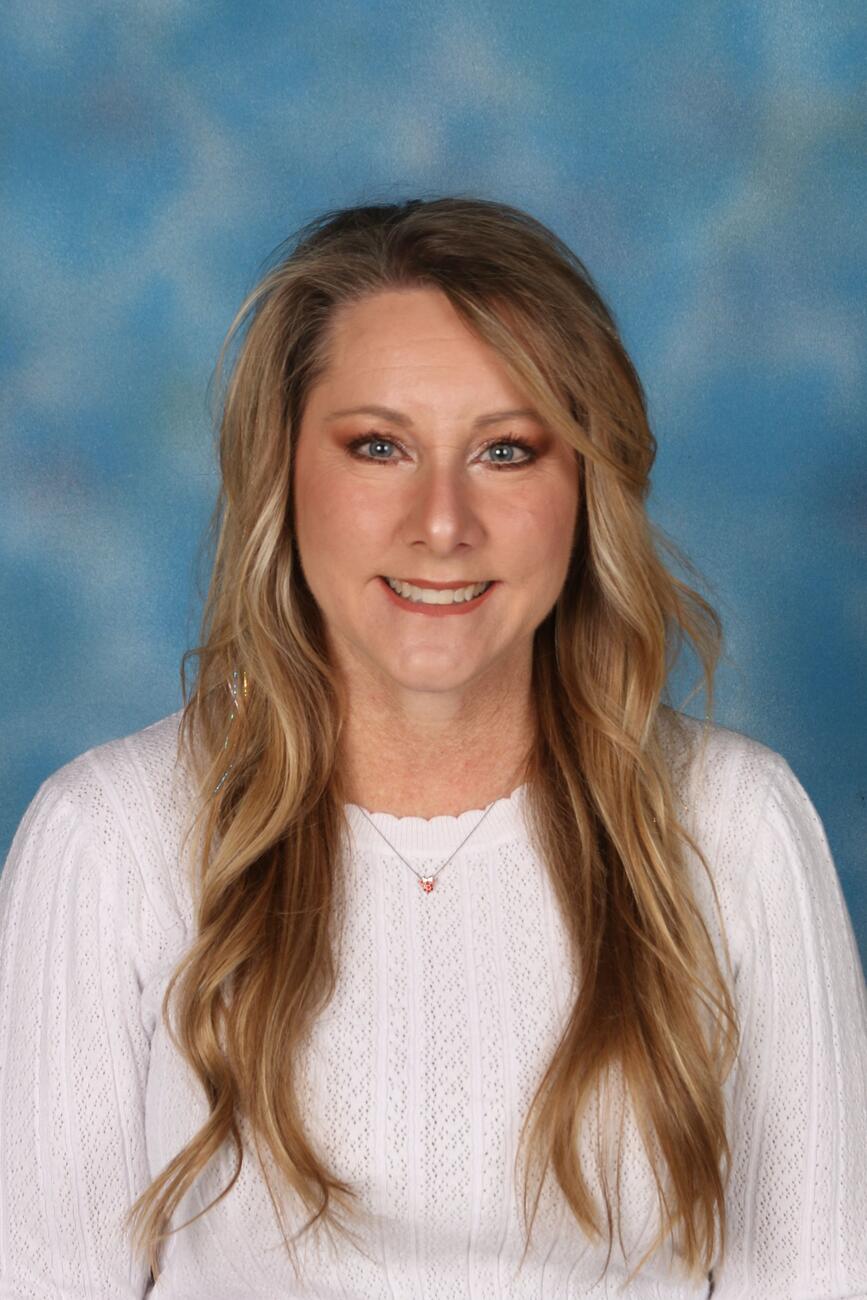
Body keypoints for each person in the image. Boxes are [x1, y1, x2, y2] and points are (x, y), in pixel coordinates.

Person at [1, 196, 865, 1300]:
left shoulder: (738, 825)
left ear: (586, 489)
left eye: (506, 450)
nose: (442, 520)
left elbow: (820, 1276)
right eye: (379, 446)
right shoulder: (108, 839)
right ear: (284, 473)